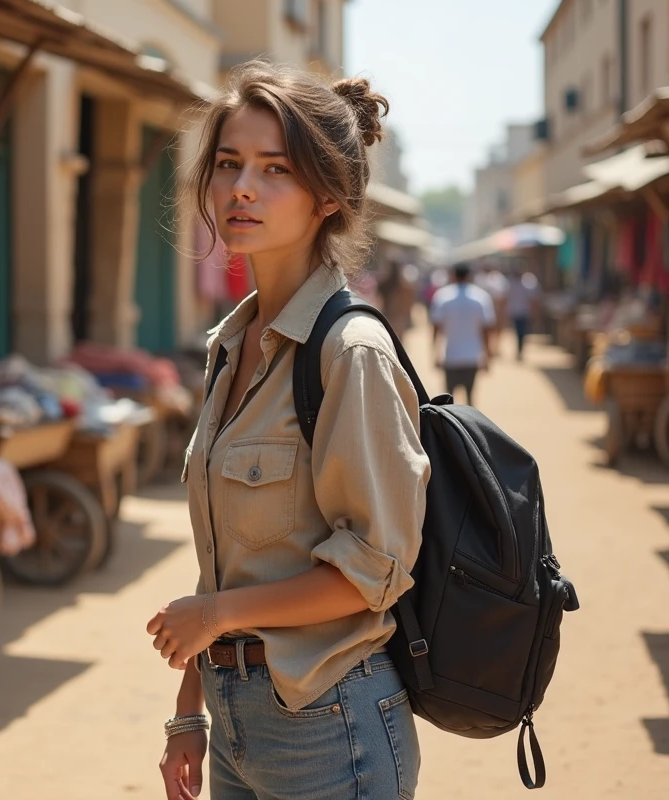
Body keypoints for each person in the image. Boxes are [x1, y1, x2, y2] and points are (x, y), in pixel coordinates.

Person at [147, 62, 429, 800]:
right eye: (230, 163)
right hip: (237, 724)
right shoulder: (232, 346)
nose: (242, 187)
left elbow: (372, 567)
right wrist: (188, 714)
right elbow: (229, 561)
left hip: (330, 727)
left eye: (275, 170)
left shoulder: (348, 352)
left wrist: (215, 616)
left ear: (327, 195)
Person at [430, 263, 495, 405]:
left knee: (448, 401)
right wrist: (488, 354)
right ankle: (469, 426)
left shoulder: (443, 296)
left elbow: (436, 327)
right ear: (469, 276)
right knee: (470, 398)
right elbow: (486, 328)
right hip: (472, 356)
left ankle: (449, 427)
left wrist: (435, 352)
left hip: (451, 356)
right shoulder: (481, 297)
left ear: (453, 275)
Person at [507, 268, 542, 360]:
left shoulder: (529, 281)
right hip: (514, 311)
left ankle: (520, 350)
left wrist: (533, 313)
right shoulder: (511, 282)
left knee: (522, 333)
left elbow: (534, 300)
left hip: (525, 312)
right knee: (517, 332)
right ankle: (519, 350)